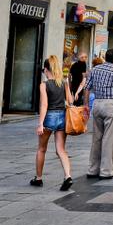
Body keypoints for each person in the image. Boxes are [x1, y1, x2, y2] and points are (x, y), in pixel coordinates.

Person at [84, 49, 113, 179]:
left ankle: (93, 169)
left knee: (97, 138)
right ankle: (106, 171)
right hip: (111, 104)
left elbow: (86, 88)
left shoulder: (95, 69)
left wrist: (86, 105)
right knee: (110, 138)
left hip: (97, 104)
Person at [30, 55, 73, 191]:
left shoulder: (44, 85)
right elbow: (70, 100)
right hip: (62, 117)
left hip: (50, 116)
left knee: (42, 148)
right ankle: (67, 176)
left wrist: (41, 123)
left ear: (46, 70)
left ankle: (38, 178)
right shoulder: (64, 82)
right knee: (61, 149)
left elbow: (44, 105)